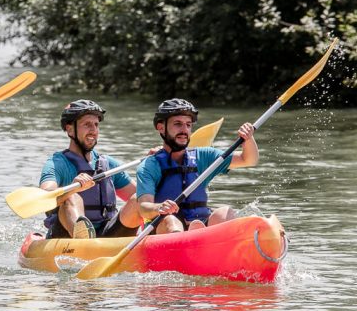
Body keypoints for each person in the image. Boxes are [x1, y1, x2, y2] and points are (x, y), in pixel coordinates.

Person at [136, 98, 258, 233]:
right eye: (178, 124)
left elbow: (248, 160)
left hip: (198, 222)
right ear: (161, 127)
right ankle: (185, 241)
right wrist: (159, 207)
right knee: (171, 221)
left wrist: (247, 139)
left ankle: (208, 240)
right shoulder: (149, 165)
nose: (184, 130)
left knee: (225, 213)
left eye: (188, 125)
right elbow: (143, 207)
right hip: (163, 227)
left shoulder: (204, 156)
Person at [39, 100, 144, 240]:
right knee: (72, 196)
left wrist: (156, 162)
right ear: (70, 129)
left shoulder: (109, 164)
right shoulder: (56, 163)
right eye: (87, 125)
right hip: (67, 237)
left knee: (139, 199)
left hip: (107, 234)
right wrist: (72, 189)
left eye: (96, 125)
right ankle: (83, 239)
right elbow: (46, 196)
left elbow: (142, 197)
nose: (93, 130)